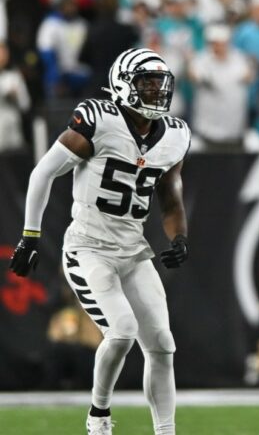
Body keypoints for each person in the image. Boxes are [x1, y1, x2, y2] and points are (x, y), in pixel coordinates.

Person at [7, 48, 190, 435]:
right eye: (147, 82)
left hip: (134, 251)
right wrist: (30, 237)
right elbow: (42, 173)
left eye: (161, 83)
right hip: (88, 248)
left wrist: (179, 237)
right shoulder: (99, 120)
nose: (157, 91)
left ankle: (166, 431)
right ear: (124, 84)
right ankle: (99, 416)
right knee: (121, 332)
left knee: (161, 345)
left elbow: (170, 196)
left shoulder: (174, 135)